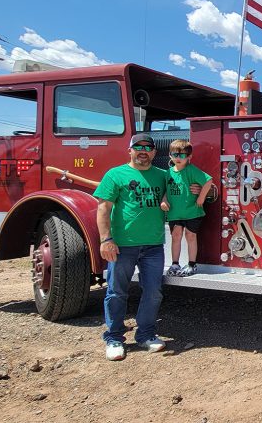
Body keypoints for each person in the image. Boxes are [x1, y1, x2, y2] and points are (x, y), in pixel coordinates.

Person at [94, 134, 169, 361]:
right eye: (138, 147)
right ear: (130, 150)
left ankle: (146, 335)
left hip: (154, 246)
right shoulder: (115, 175)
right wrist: (106, 240)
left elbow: (182, 188)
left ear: (155, 153)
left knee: (154, 292)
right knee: (116, 292)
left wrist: (202, 188)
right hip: (122, 246)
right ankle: (114, 338)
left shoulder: (163, 176)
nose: (143, 151)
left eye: (148, 148)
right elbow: (103, 208)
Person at [162, 139, 212, 277]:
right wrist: (164, 200)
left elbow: (208, 181)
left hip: (192, 211)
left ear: (189, 157)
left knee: (190, 236)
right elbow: (165, 190)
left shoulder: (192, 170)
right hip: (174, 213)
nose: (178, 158)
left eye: (182, 155)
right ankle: (175, 264)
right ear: (170, 155)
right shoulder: (168, 173)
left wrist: (201, 198)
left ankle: (191, 264)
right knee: (176, 236)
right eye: (174, 154)